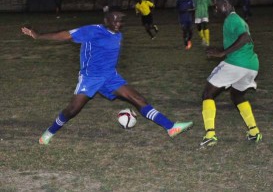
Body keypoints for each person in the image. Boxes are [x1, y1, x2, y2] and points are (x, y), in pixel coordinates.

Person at [21, 12, 193, 145]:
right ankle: (49, 133)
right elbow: (64, 35)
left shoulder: (118, 35)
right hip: (90, 78)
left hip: (110, 77)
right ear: (107, 20)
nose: (119, 24)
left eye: (121, 21)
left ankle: (170, 127)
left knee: (138, 99)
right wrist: (38, 35)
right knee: (72, 110)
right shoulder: (93, 30)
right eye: (115, 20)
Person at [199, 0, 262, 147]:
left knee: (208, 94)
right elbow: (239, 43)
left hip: (237, 64)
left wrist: (222, 53)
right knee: (237, 96)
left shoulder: (232, 19)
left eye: (216, 5)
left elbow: (245, 37)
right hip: (251, 65)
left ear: (225, 4)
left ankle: (210, 135)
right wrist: (220, 49)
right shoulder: (236, 20)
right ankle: (254, 132)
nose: (215, 8)